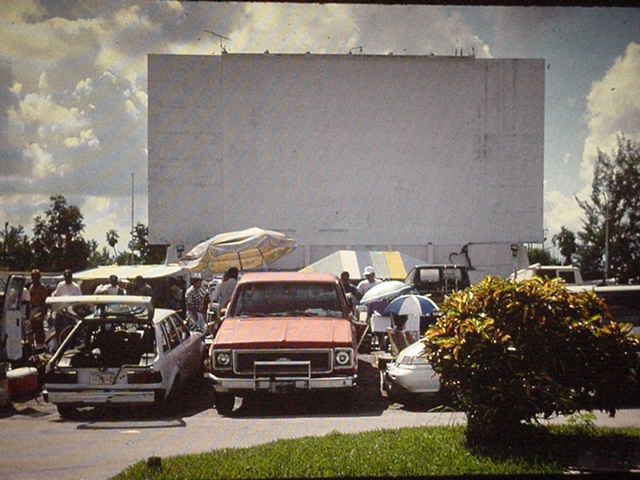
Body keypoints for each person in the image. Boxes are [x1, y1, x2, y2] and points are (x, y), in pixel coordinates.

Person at [51, 269, 82, 344]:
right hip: (61, 311)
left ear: (71, 277)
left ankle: (71, 344)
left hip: (71, 313)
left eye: (69, 277)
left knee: (70, 330)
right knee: (57, 328)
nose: (67, 279)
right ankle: (59, 344)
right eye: (66, 277)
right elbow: (56, 296)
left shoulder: (76, 287)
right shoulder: (60, 285)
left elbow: (79, 301)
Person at [28, 269, 50, 349]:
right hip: (32, 309)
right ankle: (33, 346)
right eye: (33, 277)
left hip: (39, 309)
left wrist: (43, 312)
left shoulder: (42, 287)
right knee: (32, 327)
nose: (34, 279)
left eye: (36, 277)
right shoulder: (31, 287)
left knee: (39, 327)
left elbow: (45, 301)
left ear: (39, 277)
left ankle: (40, 345)